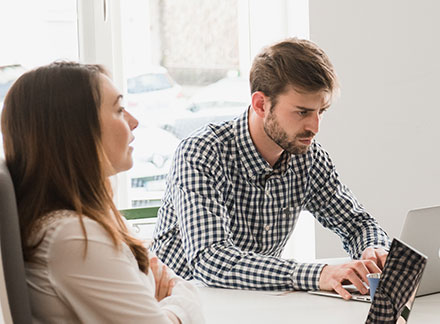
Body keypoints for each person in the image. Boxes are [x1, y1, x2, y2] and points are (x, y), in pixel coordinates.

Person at [149, 38, 390, 300]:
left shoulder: (307, 156)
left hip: (257, 305)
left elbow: (357, 223)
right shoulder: (201, 153)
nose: (315, 127)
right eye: (302, 112)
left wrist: (373, 249)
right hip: (182, 305)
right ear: (261, 105)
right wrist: (317, 274)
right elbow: (211, 259)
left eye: (321, 111)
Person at [2, 62, 203, 323]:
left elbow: (171, 281)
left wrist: (164, 303)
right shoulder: (74, 236)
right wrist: (180, 305)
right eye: (119, 110)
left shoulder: (92, 219)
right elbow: (180, 295)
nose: (134, 122)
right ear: (77, 130)